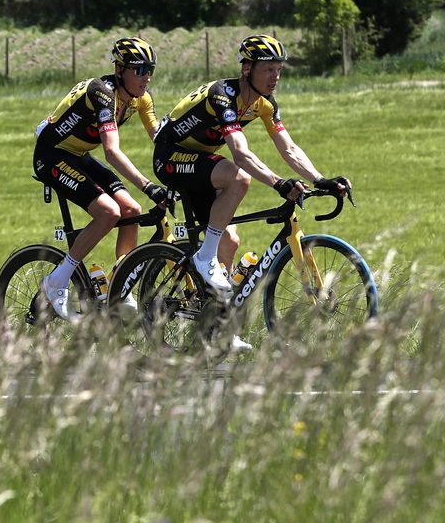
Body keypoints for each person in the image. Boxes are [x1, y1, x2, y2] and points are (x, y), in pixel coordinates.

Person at [152, 34, 344, 306]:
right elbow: (240, 154)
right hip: (169, 157)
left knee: (229, 240)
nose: (275, 76)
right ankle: (204, 258)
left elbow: (288, 148)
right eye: (268, 69)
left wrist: (320, 179)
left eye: (278, 70)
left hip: (199, 162)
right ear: (246, 69)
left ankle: (219, 320)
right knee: (238, 177)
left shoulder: (265, 104)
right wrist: (279, 183)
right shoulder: (223, 96)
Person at [33, 37, 170, 320]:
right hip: (52, 155)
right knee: (109, 212)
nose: (147, 77)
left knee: (131, 210)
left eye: (150, 69)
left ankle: (120, 285)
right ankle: (56, 282)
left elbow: (161, 140)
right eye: (140, 70)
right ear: (120, 70)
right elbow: (111, 151)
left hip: (78, 155)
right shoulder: (102, 93)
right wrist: (147, 185)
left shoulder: (141, 99)